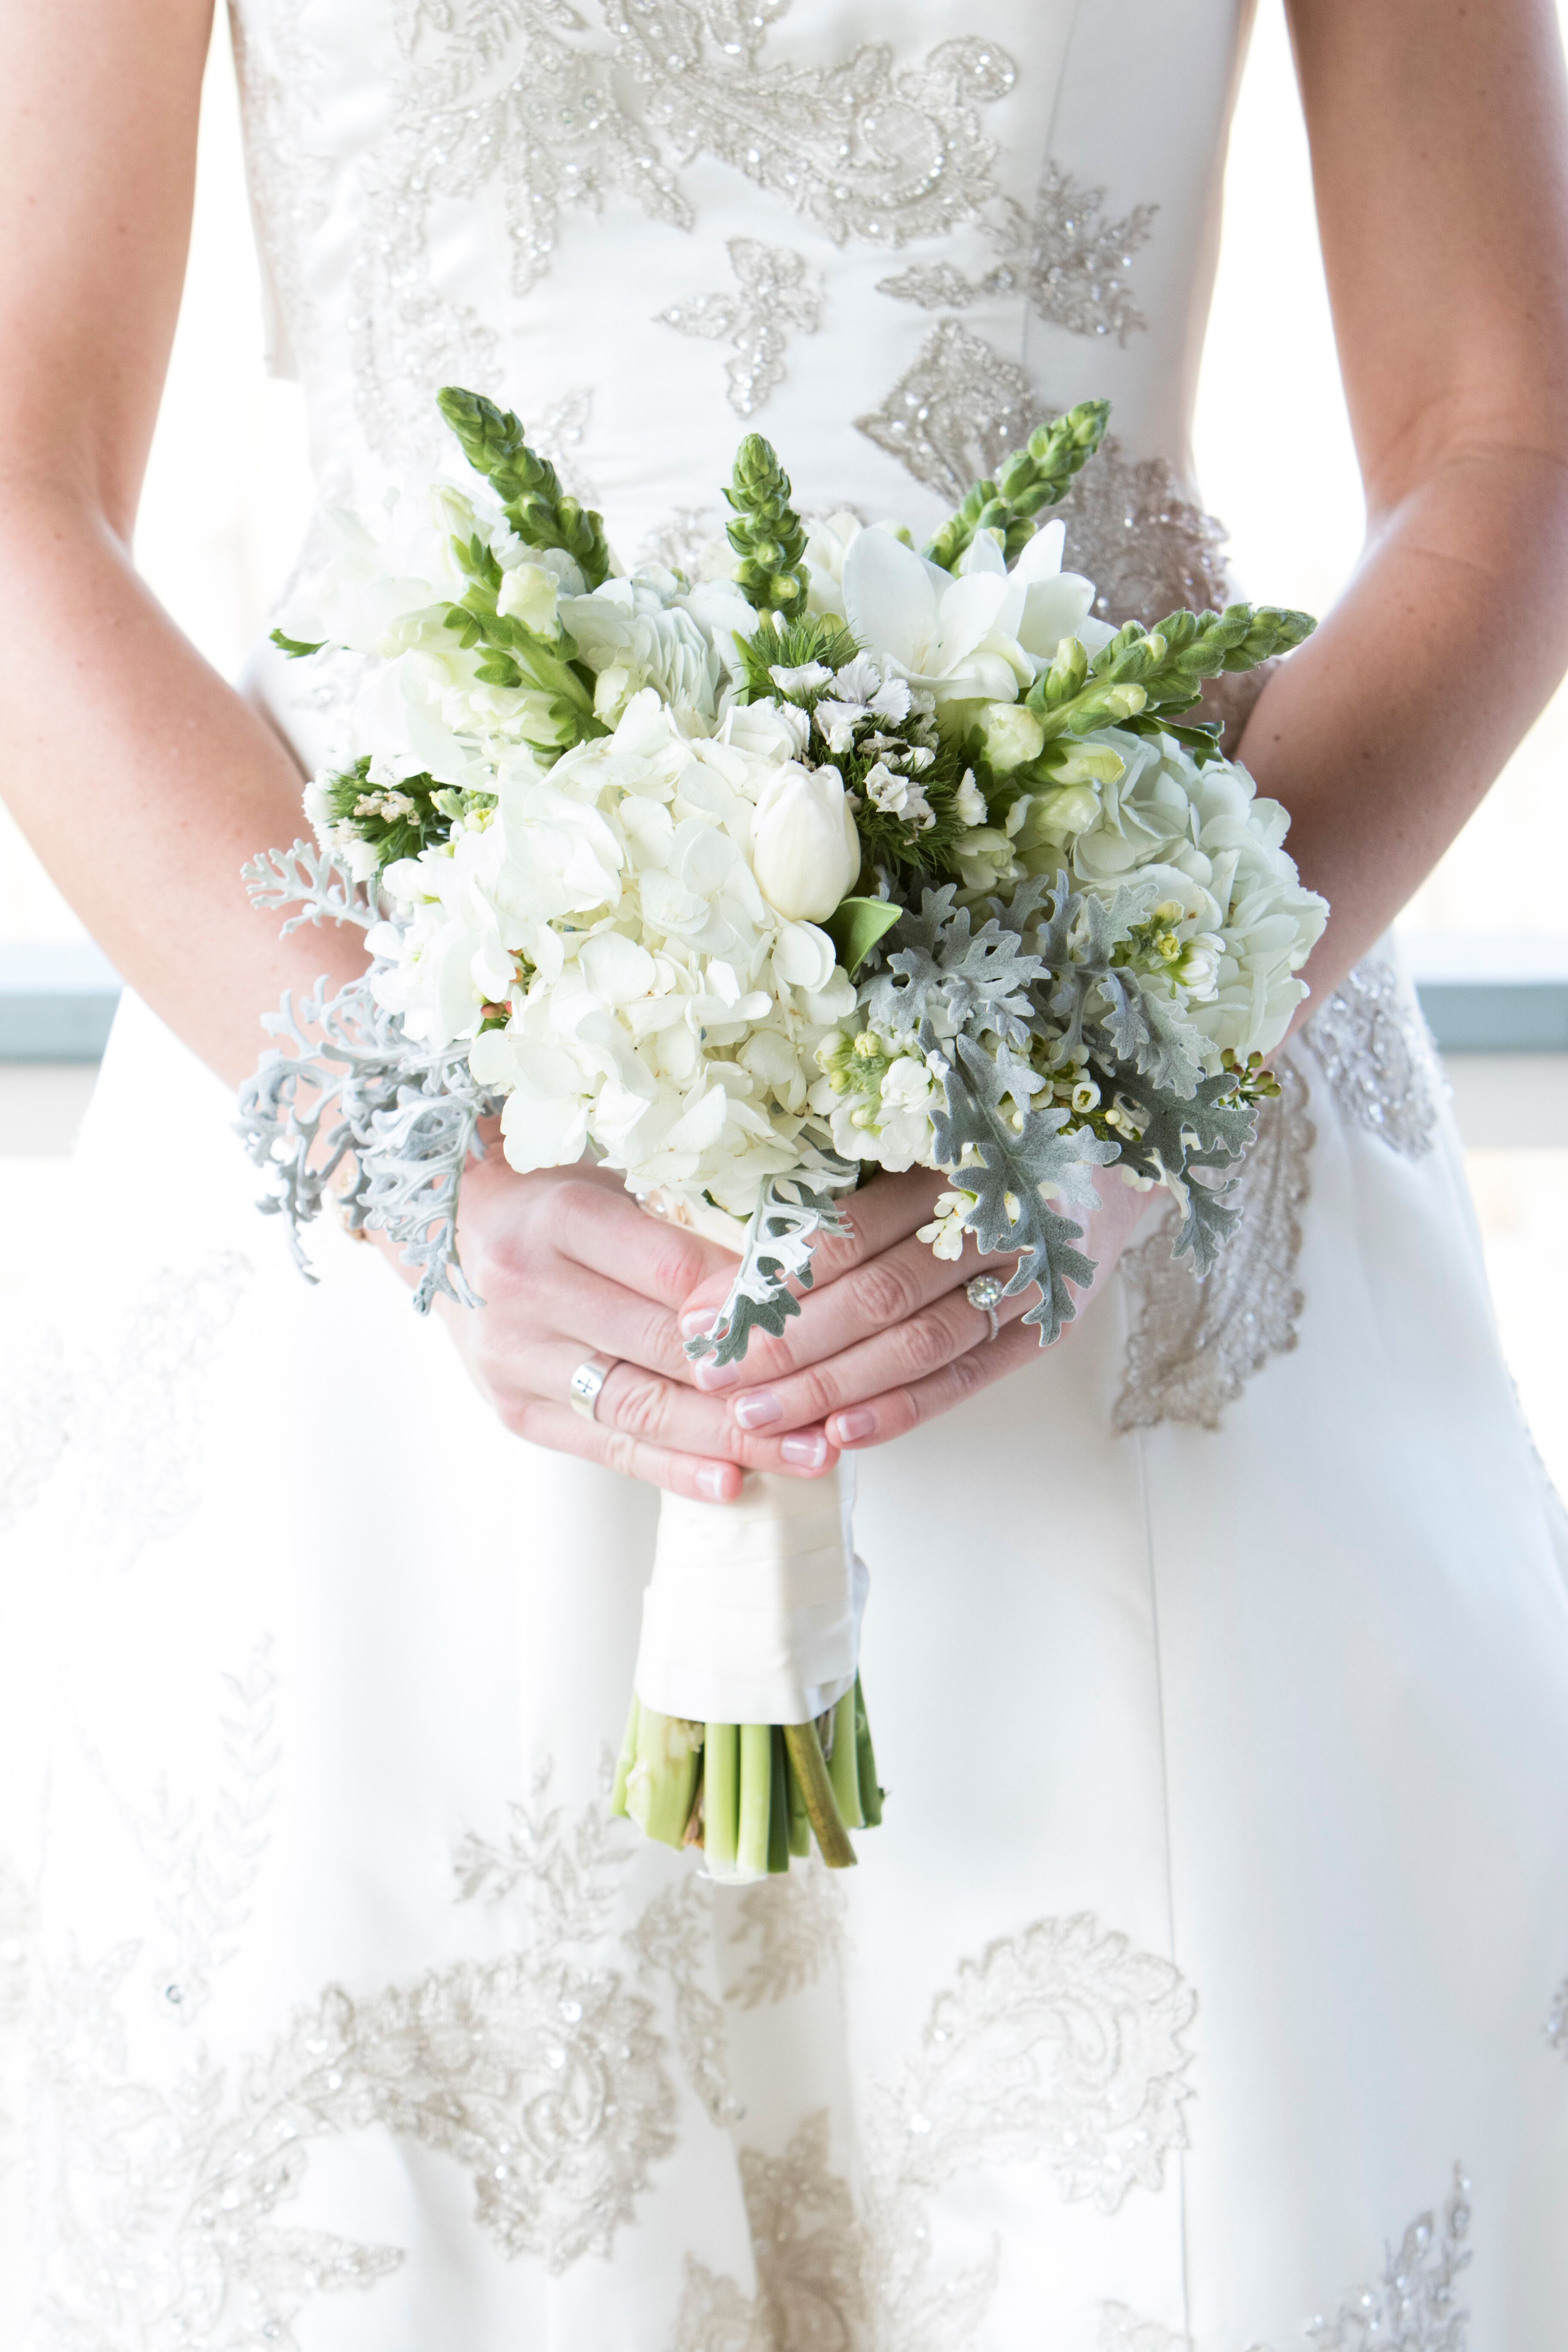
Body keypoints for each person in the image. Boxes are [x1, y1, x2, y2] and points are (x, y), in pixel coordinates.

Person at [3, 0, 1568, 2341]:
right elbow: (18, 471)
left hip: (1115, 1191)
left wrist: (1139, 1063)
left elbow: (1504, 433)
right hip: (387, 1203)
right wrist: (417, 1165)